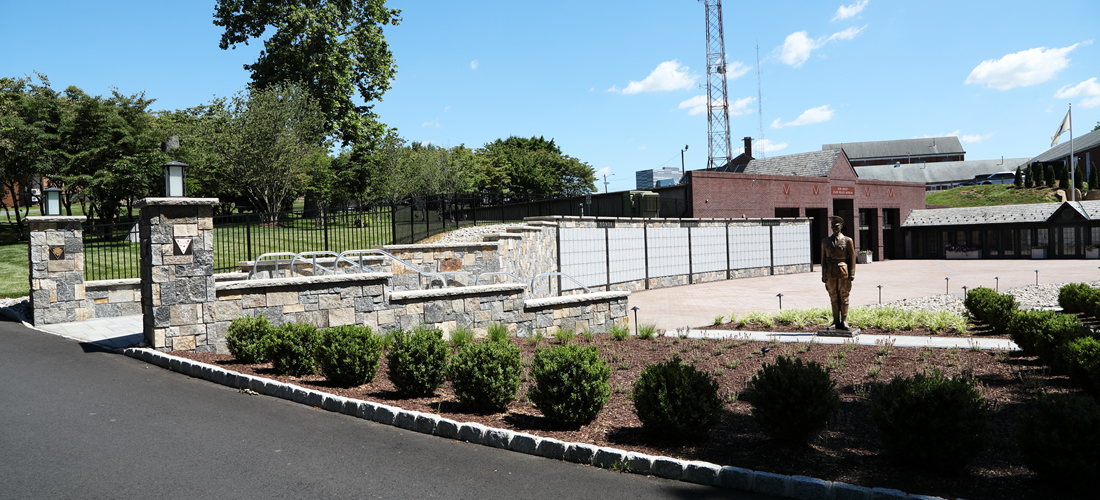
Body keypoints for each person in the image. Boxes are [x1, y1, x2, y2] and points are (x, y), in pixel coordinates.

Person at [821, 215, 856, 330]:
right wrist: (823, 274)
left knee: (844, 296)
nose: (834, 228)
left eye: (836, 226)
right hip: (830, 272)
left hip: (843, 272)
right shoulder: (825, 241)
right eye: (832, 226)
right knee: (833, 296)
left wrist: (852, 273)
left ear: (841, 226)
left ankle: (844, 321)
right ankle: (835, 321)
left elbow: (852, 257)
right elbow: (823, 260)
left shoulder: (847, 240)